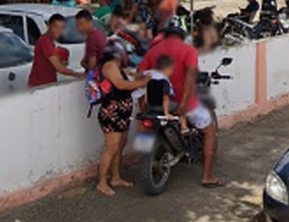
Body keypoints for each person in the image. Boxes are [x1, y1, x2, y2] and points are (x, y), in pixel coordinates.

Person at [138, 23, 223, 187]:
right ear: (182, 37)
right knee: (209, 130)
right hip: (183, 103)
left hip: (156, 104)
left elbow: (141, 77)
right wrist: (184, 103)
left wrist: (142, 102)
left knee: (145, 129)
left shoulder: (152, 51)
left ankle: (146, 159)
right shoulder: (188, 50)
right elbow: (191, 78)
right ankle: (207, 176)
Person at [95, 41, 150, 196]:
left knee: (120, 145)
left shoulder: (117, 66)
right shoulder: (110, 66)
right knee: (112, 147)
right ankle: (102, 183)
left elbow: (129, 78)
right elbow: (120, 85)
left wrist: (139, 77)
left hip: (122, 111)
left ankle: (116, 177)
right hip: (112, 111)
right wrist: (142, 82)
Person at [29, 14, 83, 87]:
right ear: (49, 25)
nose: (59, 31)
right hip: (39, 85)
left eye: (62, 28)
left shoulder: (50, 42)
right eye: (56, 27)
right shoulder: (45, 41)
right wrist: (78, 75)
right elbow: (59, 68)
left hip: (47, 84)